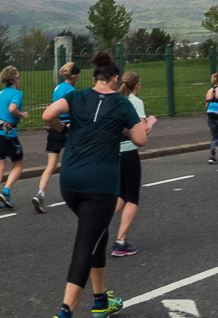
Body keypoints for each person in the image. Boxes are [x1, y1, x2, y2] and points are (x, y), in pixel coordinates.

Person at [43, 51, 146, 318]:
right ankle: (65, 312)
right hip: (99, 186)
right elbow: (140, 139)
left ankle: (100, 301)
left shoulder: (76, 96)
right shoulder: (123, 104)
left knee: (98, 235)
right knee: (86, 244)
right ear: (114, 79)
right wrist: (124, 127)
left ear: (94, 78)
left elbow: (47, 115)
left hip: (70, 182)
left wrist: (65, 130)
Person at [111, 71, 156, 257]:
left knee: (121, 195)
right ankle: (120, 242)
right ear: (137, 85)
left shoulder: (114, 100)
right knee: (132, 199)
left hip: (113, 152)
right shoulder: (136, 103)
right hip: (129, 152)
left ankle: (95, 225)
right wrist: (151, 122)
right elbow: (141, 133)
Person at [34, 61, 81, 213]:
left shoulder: (57, 88)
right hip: (67, 128)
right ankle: (77, 192)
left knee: (51, 165)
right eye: (78, 76)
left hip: (53, 128)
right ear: (74, 76)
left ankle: (40, 193)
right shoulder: (72, 91)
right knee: (74, 161)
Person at [0, 65, 28, 211]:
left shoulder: (0, 93)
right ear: (16, 78)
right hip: (8, 135)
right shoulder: (17, 93)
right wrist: (22, 115)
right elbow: (12, 109)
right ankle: (5, 192)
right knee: (18, 165)